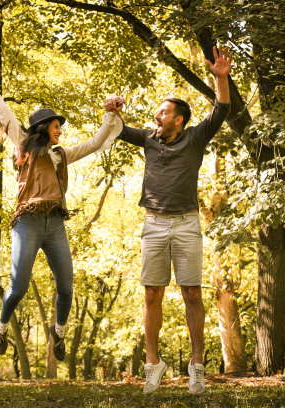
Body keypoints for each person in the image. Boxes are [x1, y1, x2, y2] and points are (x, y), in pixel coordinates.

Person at [0, 59, 122, 361]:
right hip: (28, 222)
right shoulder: (23, 143)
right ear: (42, 128)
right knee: (19, 285)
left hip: (55, 224)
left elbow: (95, 143)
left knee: (66, 287)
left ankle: (59, 334)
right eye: (56, 126)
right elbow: (3, 111)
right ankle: (2, 326)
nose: (60, 130)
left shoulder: (62, 155)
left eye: (60, 127)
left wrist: (109, 114)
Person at [104, 45, 232, 394]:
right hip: (154, 224)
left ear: (178, 119)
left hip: (188, 224)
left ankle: (197, 367)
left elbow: (221, 108)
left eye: (163, 113)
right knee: (152, 294)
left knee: (192, 293)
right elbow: (116, 130)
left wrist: (220, 78)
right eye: (157, 112)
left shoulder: (195, 138)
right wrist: (113, 110)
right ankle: (152, 364)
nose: (156, 116)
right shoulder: (147, 138)